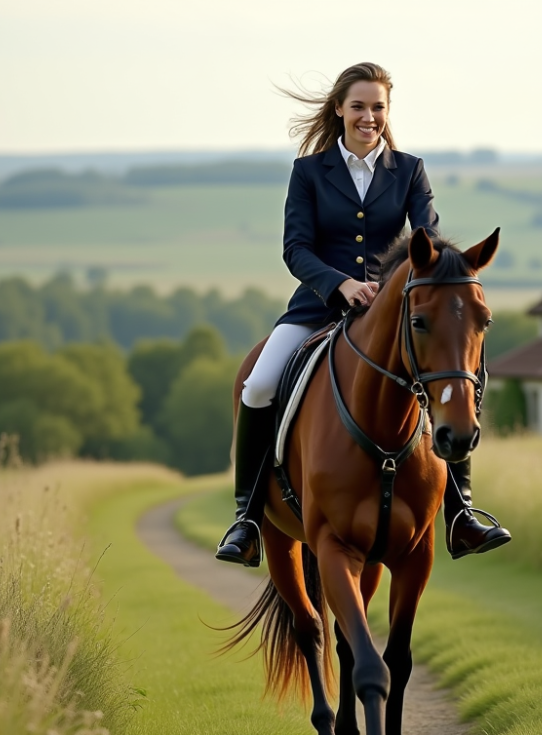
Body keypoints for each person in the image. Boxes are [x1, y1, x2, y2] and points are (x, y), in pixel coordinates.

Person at [215, 62, 511, 568]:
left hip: (391, 317)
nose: (368, 116)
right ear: (340, 110)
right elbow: (296, 249)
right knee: (259, 385)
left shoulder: (409, 169)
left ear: (386, 113)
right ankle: (246, 518)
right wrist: (342, 284)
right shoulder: (308, 172)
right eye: (359, 106)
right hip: (317, 308)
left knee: (460, 377)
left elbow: (430, 240)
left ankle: (460, 511)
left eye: (378, 107)